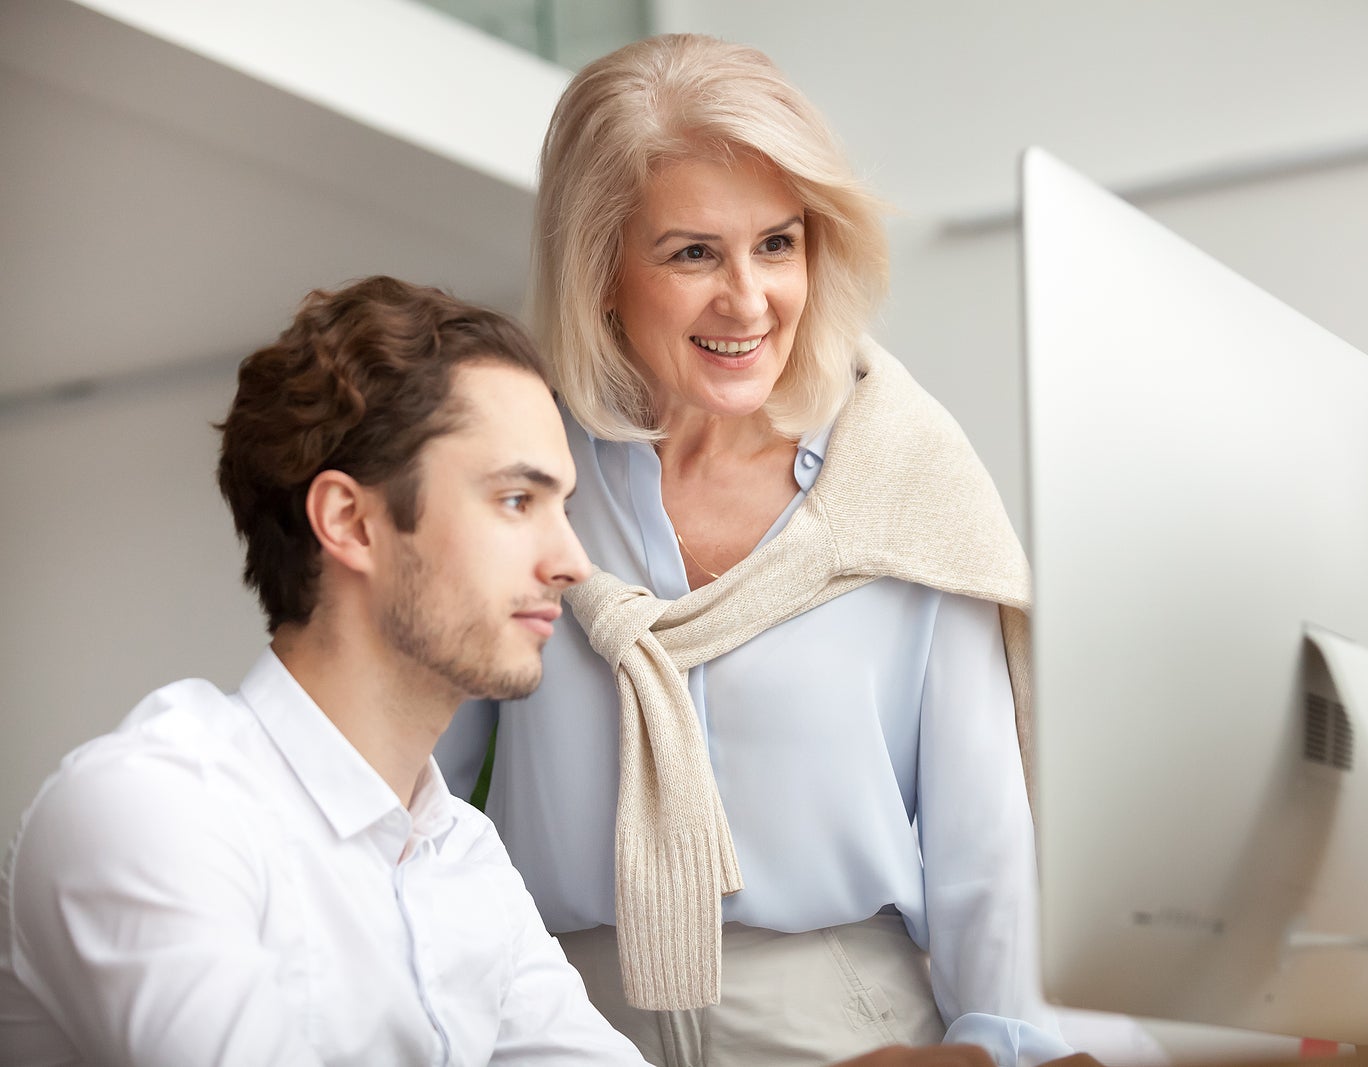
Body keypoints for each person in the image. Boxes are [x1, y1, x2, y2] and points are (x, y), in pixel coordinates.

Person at [0, 276, 1037, 1067]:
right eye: (515, 501)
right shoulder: (151, 813)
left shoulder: (461, 859)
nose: (574, 559)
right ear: (350, 520)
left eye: (564, 502)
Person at [436, 34, 1070, 1067]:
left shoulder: (904, 473)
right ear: (599, 269)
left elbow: (985, 853)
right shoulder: (519, 476)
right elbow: (414, 786)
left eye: (777, 243)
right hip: (560, 1025)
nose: (748, 299)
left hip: (845, 1032)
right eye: (692, 252)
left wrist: (1005, 1049)